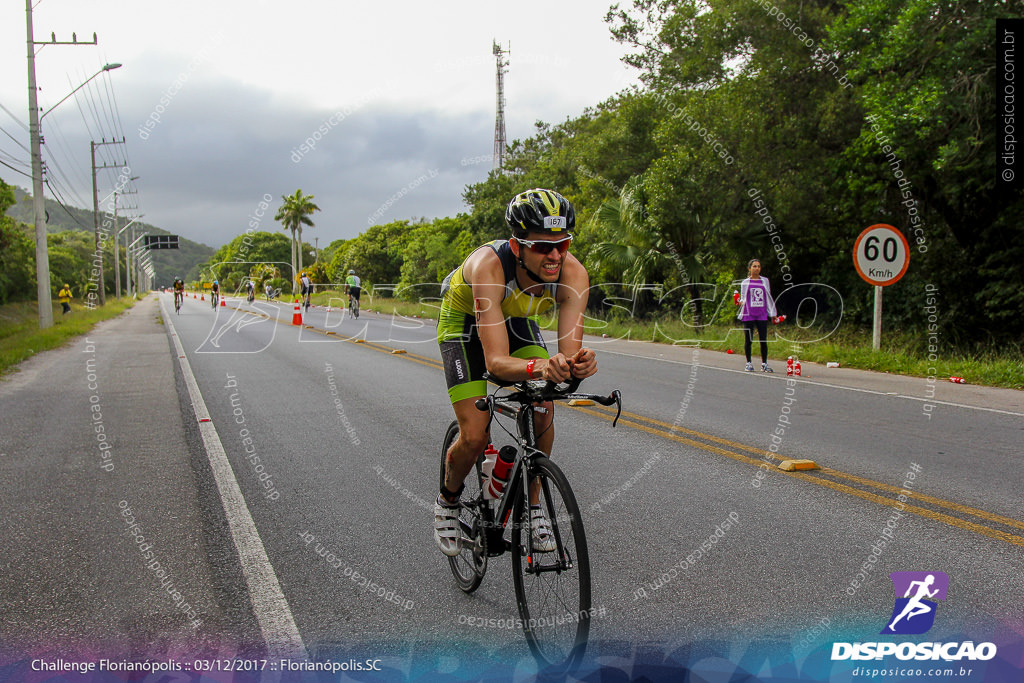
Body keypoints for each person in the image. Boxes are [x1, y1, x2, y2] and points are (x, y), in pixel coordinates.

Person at [433, 188, 597, 557]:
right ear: (517, 245)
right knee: (474, 436)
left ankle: (533, 508)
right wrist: (540, 365)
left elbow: (566, 362)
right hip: (464, 328)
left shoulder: (573, 273)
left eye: (564, 243)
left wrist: (576, 366)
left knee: (544, 405)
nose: (555, 255)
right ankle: (448, 500)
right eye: (542, 246)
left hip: (517, 321)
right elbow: (494, 362)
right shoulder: (489, 266)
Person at [736, 259, 779, 372]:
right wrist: (739, 301)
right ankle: (748, 363)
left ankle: (764, 363)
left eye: (759, 266)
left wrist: (773, 313)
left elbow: (768, 297)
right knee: (748, 339)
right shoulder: (745, 282)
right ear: (750, 268)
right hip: (749, 314)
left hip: (761, 313)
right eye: (754, 266)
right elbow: (743, 298)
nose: (757, 268)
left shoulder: (765, 281)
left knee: (763, 340)